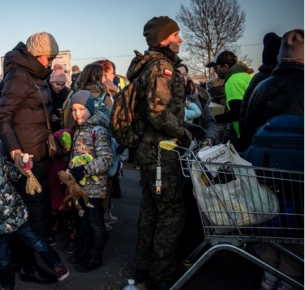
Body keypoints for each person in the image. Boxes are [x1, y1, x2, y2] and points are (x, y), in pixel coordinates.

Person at [128, 16, 206, 290]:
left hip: (149, 153)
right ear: (163, 39)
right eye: (176, 34)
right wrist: (184, 131)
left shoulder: (147, 65)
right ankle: (162, 277)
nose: (180, 39)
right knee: (171, 214)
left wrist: (184, 125)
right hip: (162, 153)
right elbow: (158, 112)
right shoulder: (162, 67)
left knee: (151, 211)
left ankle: (143, 272)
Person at [0, 31, 62, 284]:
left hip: (38, 153)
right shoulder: (20, 76)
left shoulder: (36, 76)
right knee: (31, 215)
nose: (50, 62)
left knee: (35, 213)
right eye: (49, 57)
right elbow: (2, 116)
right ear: (37, 54)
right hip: (25, 160)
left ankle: (22, 262)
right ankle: (28, 266)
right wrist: (15, 151)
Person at [244, 29, 304, 290]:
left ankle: (269, 278)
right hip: (301, 180)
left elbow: (247, 133)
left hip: (266, 176)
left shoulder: (261, 87)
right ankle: (289, 280)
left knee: (270, 225)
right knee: (298, 232)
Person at [0, 154, 70, 290]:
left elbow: (14, 174)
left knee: (38, 242)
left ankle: (57, 265)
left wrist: (25, 165)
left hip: (16, 215)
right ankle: (7, 285)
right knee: (3, 260)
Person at [68, 90, 114, 272]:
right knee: (84, 222)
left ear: (89, 109)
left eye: (81, 109)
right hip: (81, 187)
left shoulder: (98, 131)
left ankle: (95, 256)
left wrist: (84, 169)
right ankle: (86, 250)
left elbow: (106, 159)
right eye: (73, 110)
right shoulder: (80, 129)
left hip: (94, 188)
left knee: (95, 222)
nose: (77, 113)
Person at [75, 63, 118, 231]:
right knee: (101, 188)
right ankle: (102, 220)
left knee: (80, 188)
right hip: (100, 149)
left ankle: (81, 228)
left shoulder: (75, 95)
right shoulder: (104, 96)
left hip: (77, 151)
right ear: (98, 77)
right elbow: (113, 124)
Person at [236, 32, 282, 152]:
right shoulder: (268, 81)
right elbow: (240, 110)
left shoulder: (259, 79)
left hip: (256, 146)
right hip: (264, 148)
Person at [206, 50, 252, 145]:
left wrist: (215, 119)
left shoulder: (232, 82)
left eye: (216, 67)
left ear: (225, 66)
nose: (215, 71)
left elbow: (237, 113)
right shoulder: (245, 76)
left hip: (245, 134)